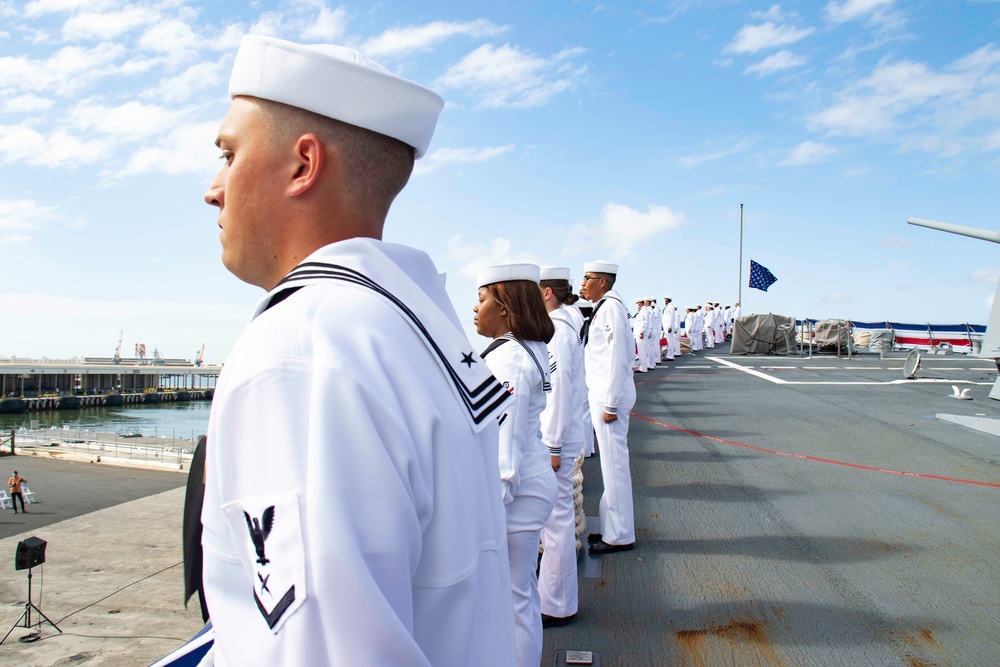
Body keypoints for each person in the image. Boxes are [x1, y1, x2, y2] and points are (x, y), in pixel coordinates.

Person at [200, 35, 516, 666]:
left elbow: (311, 653)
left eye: (230, 155)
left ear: (302, 165)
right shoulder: (403, 325)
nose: (214, 189)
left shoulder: (300, 350)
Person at [475, 263, 558, 667]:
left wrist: (495, 503)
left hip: (517, 488)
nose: (475, 309)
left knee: (511, 597)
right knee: (521, 591)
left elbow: (504, 446)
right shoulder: (528, 348)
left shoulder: (509, 360)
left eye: (482, 299)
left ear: (505, 307)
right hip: (533, 478)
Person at [537, 267, 587, 628]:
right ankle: (559, 599)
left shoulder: (557, 332)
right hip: (566, 434)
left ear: (546, 293)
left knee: (555, 521)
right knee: (559, 519)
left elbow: (558, 390)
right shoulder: (569, 323)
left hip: (558, 437)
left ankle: (555, 604)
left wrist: (553, 445)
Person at [579, 261, 636, 554]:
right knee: (610, 467)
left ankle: (620, 535)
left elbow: (617, 356)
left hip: (608, 398)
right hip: (603, 394)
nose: (583, 282)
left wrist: (611, 402)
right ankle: (613, 527)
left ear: (603, 281)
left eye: (588, 278)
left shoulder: (611, 308)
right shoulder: (605, 306)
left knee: (614, 467)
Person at [633, 298, 649, 373]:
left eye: (638, 303)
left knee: (642, 351)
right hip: (639, 333)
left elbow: (644, 322)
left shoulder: (644, 311)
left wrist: (641, 332)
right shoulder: (641, 311)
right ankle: (642, 367)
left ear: (641, 303)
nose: (637, 305)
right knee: (641, 351)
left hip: (641, 333)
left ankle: (643, 368)